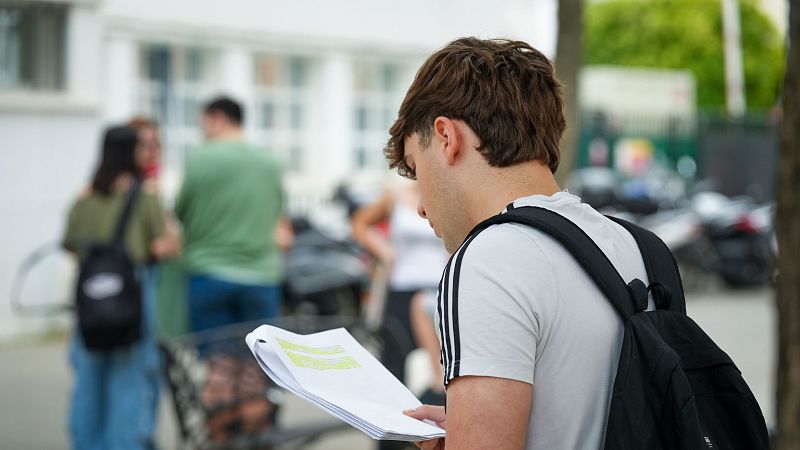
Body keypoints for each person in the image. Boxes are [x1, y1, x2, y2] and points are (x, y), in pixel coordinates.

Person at [386, 38, 653, 450]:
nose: (421, 208)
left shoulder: (486, 260)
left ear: (445, 137)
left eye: (416, 169)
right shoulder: (635, 244)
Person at [174, 96, 292, 441]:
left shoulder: (200, 159)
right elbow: (278, 217)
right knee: (254, 373)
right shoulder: (269, 162)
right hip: (261, 276)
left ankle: (222, 442)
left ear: (215, 118)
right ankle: (255, 440)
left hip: (209, 274)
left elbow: (181, 214)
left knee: (220, 370)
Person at [63, 125, 180, 450]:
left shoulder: (85, 196)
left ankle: (86, 444)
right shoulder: (144, 194)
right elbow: (160, 247)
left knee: (89, 378)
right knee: (128, 378)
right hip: (131, 296)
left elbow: (69, 242)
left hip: (90, 298)